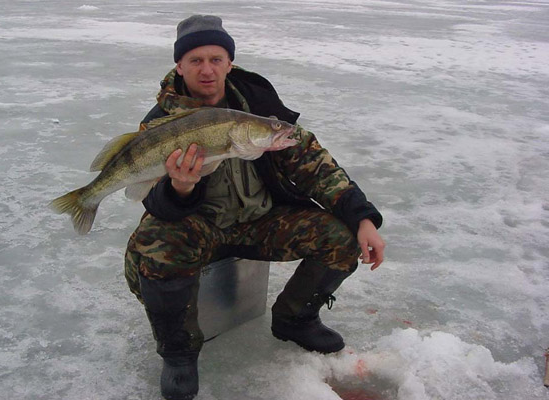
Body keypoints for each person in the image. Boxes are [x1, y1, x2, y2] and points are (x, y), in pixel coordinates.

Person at [124, 15, 385, 400]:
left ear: (230, 62)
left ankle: (296, 318)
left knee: (342, 236)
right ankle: (178, 351)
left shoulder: (261, 110)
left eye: (216, 58)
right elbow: (152, 200)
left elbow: (315, 165)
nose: (207, 69)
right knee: (156, 245)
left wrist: (361, 216)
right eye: (196, 60)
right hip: (201, 226)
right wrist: (179, 188)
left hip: (262, 220)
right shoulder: (162, 124)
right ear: (179, 66)